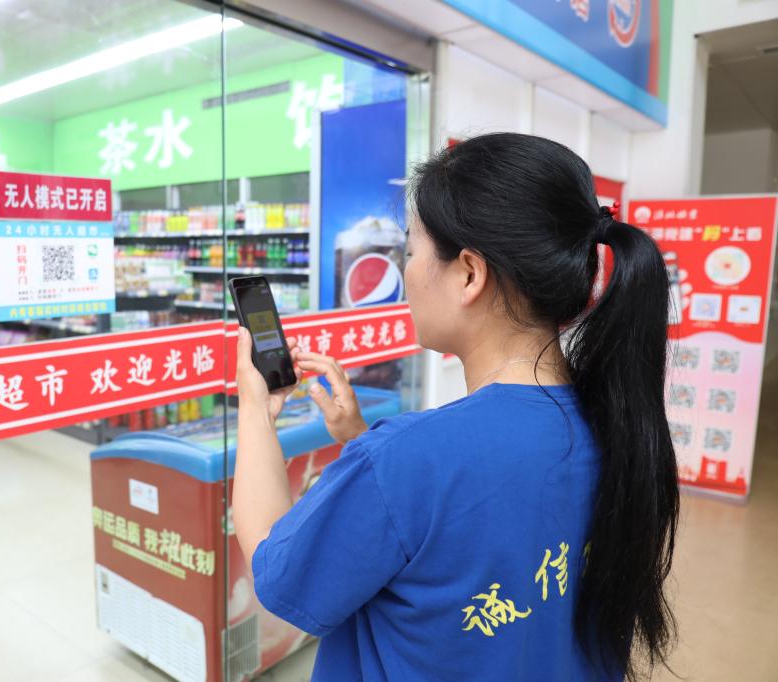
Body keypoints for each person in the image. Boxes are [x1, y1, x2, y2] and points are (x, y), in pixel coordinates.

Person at [233, 133, 679, 681]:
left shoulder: (405, 459)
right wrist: (361, 440)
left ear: (469, 273)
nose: (406, 274)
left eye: (410, 252)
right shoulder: (620, 427)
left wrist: (255, 408)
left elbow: (277, 573)